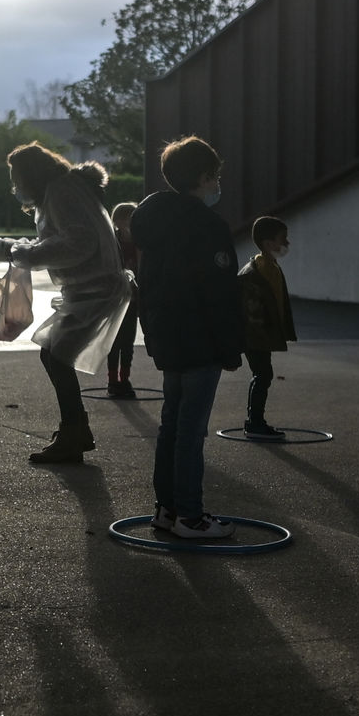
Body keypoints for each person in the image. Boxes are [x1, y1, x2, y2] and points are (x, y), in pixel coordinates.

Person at [0, 143, 131, 464]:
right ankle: (75, 429)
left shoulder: (62, 192)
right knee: (52, 354)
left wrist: (21, 254)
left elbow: (78, 242)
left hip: (94, 290)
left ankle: (74, 432)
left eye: (17, 179)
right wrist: (3, 248)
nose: (16, 187)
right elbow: (57, 240)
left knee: (57, 357)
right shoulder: (61, 191)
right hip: (87, 290)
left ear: (32, 175)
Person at [130, 135, 243, 539]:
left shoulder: (153, 222)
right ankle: (190, 516)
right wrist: (230, 346)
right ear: (203, 177)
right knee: (191, 431)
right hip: (200, 339)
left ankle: (167, 508)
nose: (217, 184)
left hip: (168, 336)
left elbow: (148, 284)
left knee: (172, 426)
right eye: (215, 176)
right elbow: (219, 293)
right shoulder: (208, 226)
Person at [238, 215, 297, 439]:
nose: (287, 243)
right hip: (256, 336)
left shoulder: (271, 267)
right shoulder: (256, 272)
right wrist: (260, 336)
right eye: (283, 239)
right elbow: (251, 311)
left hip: (262, 335)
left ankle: (255, 421)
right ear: (268, 243)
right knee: (263, 375)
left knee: (263, 375)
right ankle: (254, 423)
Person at [105, 201, 141, 398]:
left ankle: (124, 378)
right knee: (114, 341)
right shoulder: (112, 242)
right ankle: (112, 380)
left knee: (128, 342)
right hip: (116, 299)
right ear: (118, 221)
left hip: (133, 298)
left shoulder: (139, 241)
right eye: (128, 218)